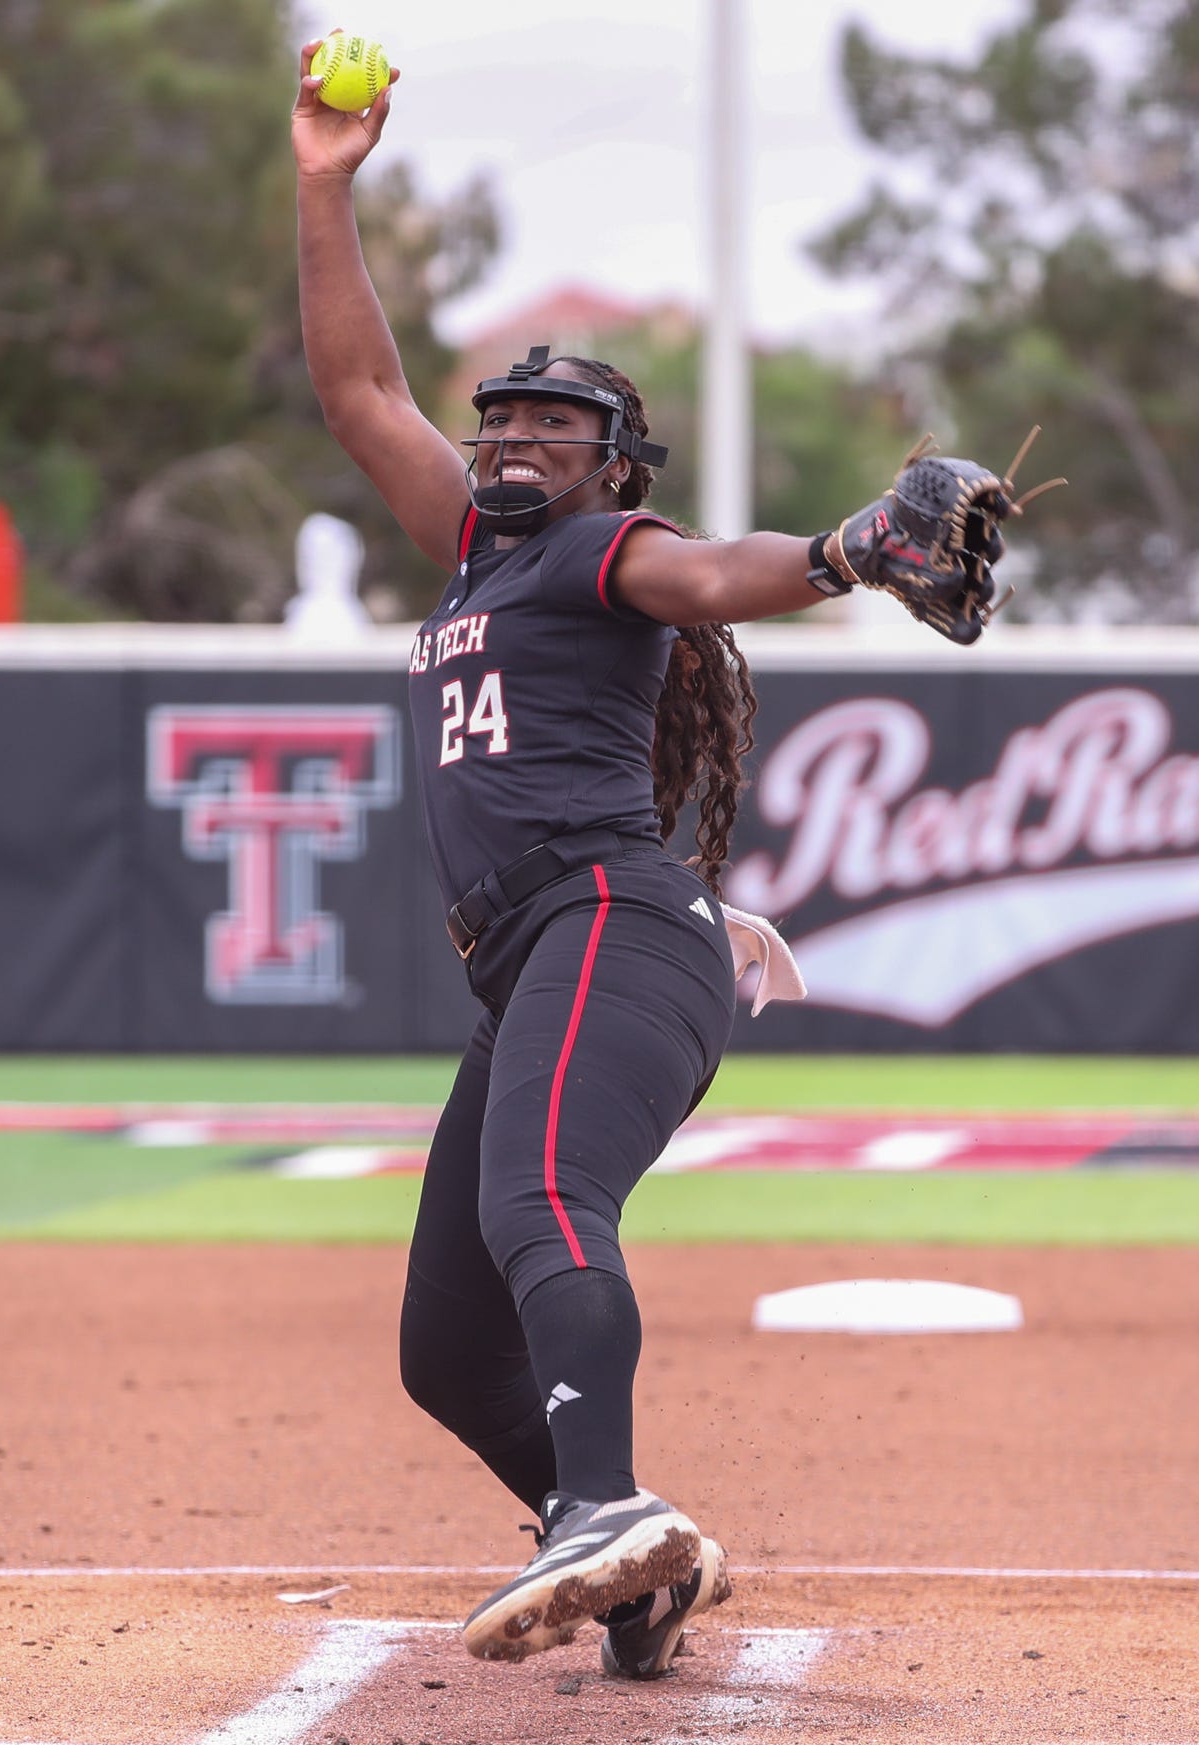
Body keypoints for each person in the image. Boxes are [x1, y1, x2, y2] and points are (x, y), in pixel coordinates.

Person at [291, 32, 1020, 1679]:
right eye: (505, 418)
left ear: (619, 467)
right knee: (441, 1344)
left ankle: (603, 1497)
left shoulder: (610, 554)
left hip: (609, 921)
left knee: (545, 1196)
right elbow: (356, 394)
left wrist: (848, 550)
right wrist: (324, 188)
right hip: (547, 950)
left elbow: (717, 581)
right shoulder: (479, 561)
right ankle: (633, 1558)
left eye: (558, 421)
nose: (516, 435)